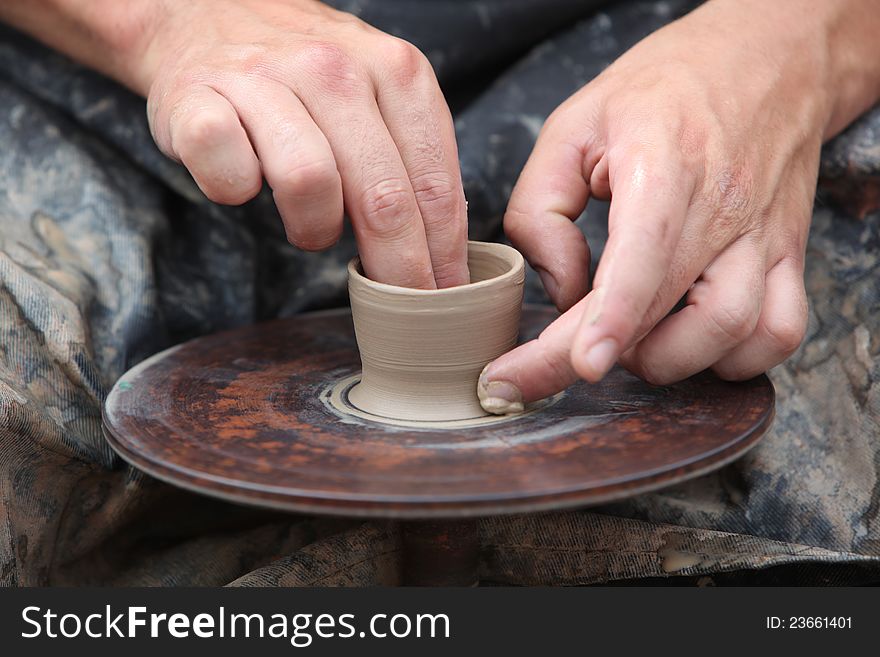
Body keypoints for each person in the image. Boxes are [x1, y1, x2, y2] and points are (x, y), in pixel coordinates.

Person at [1, 0, 879, 585]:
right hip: (122, 69)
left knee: (798, 498)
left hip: (646, 75)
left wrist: (795, 51)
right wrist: (159, 19)